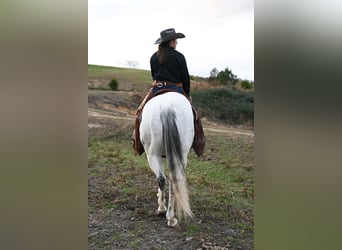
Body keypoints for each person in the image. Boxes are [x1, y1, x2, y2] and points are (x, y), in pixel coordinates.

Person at [132, 28, 205, 156]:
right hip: (176, 89)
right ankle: (197, 144)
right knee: (195, 116)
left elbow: (154, 77)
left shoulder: (153, 57)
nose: (177, 43)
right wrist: (187, 94)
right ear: (171, 41)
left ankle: (138, 144)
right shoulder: (179, 57)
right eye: (176, 40)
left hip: (157, 89)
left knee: (139, 113)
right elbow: (185, 79)